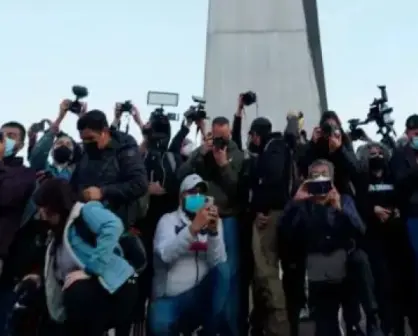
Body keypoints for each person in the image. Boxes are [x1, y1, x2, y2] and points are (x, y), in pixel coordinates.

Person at [278, 159, 382, 336]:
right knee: (326, 328)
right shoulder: (302, 205)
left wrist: (340, 208)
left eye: (323, 176)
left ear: (332, 180)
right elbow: (284, 232)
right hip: (317, 272)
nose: (319, 181)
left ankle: (372, 318)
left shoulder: (344, 200)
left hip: (344, 268)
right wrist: (295, 202)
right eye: (314, 177)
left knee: (360, 258)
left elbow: (360, 230)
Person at [24, 178, 138, 336]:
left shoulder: (84, 212)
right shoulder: (55, 232)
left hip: (115, 288)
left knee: (77, 293)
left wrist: (91, 269)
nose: (41, 215)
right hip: (88, 295)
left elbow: (113, 226)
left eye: (44, 209)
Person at [177, 116, 243, 335]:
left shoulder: (238, 155)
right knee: (204, 270)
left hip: (227, 217)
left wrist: (224, 164)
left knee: (228, 272)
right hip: (201, 214)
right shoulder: (202, 153)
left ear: (230, 135)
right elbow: (182, 177)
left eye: (223, 138)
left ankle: (228, 327)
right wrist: (200, 153)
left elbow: (238, 191)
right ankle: (204, 322)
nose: (219, 143)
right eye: (216, 138)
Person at [148, 174, 228, 335]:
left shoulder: (213, 222)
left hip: (199, 295)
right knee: (159, 325)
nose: (197, 197)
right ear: (180, 197)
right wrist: (192, 230)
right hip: (173, 295)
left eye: (201, 193)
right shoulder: (168, 221)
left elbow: (218, 262)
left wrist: (213, 234)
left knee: (224, 270)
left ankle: (208, 330)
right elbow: (165, 255)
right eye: (192, 192)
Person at [357, 142, 418, 334]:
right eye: (372, 153)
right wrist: (373, 210)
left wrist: (399, 211)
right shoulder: (362, 180)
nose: (376, 156)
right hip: (375, 242)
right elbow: (358, 203)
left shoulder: (394, 178)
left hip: (398, 241)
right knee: (384, 287)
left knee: (406, 285)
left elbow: (405, 196)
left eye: (379, 152)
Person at [245, 116, 296, 336]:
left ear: (256, 135)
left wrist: (261, 210)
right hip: (274, 214)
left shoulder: (274, 148)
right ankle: (265, 324)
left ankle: (279, 328)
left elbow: (272, 179)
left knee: (267, 274)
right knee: (263, 275)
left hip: (270, 217)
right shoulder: (274, 147)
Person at [71, 109, 148, 228]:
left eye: (91, 138)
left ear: (105, 132)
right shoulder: (86, 152)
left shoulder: (125, 147)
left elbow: (139, 184)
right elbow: (74, 184)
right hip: (85, 220)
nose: (87, 143)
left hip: (115, 223)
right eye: (83, 139)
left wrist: (103, 192)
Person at [0, 131, 37, 332]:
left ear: (20, 144)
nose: (5, 139)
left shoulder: (25, 175)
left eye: (10, 136)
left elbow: (6, 197)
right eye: (2, 135)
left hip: (8, 256)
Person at [299, 110, 359, 195]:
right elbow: (304, 169)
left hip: (341, 190)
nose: (330, 131)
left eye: (334, 127)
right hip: (319, 190)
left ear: (339, 129)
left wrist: (340, 149)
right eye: (327, 127)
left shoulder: (344, 140)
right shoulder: (317, 142)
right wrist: (312, 144)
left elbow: (355, 169)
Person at [29, 99, 84, 179]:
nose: (64, 145)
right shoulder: (41, 167)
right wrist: (60, 117)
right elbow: (39, 152)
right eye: (59, 143)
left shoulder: (77, 175)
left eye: (68, 144)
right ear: (51, 151)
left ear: (72, 154)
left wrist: (82, 119)